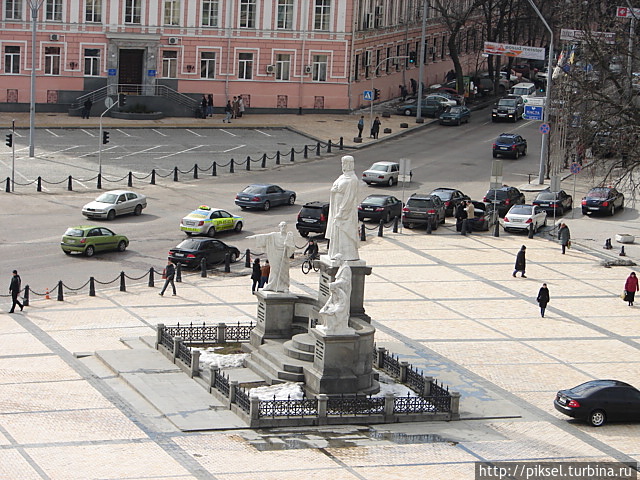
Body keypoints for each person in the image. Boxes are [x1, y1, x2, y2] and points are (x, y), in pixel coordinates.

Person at [327, 155, 360, 261]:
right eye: (342, 163)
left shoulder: (352, 179)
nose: (343, 165)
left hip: (345, 212)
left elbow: (349, 199)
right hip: (336, 207)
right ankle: (336, 252)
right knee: (337, 232)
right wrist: (334, 190)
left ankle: (347, 254)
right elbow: (334, 188)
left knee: (344, 232)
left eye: (344, 163)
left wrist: (341, 213)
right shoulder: (342, 177)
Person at [247, 222, 295, 293]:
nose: (283, 227)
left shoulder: (288, 237)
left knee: (283, 271)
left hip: (283, 256)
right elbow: (265, 236)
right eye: (282, 226)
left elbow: (292, 247)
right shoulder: (275, 235)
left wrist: (287, 245)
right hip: (276, 255)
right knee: (274, 270)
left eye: (285, 226)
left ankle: (284, 286)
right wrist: (255, 237)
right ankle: (271, 285)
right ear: (279, 227)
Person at [317, 254, 353, 335]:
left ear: (340, 259)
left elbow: (345, 282)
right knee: (325, 310)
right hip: (337, 293)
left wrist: (335, 284)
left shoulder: (346, 269)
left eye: (336, 260)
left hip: (342, 293)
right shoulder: (341, 267)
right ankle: (328, 325)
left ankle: (334, 326)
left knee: (335, 312)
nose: (335, 262)